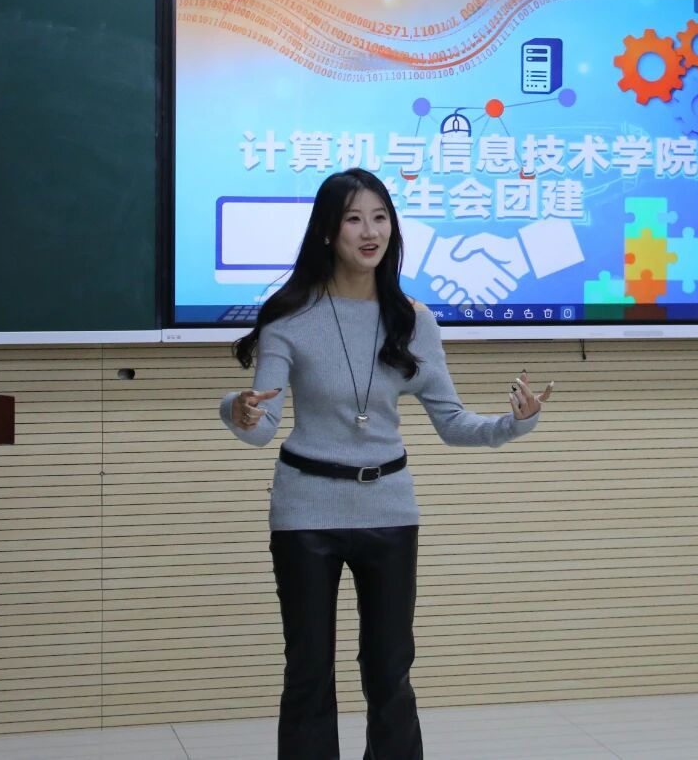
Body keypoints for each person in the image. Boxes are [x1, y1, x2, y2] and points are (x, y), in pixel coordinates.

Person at [221, 167, 553, 759]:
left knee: (390, 672)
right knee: (308, 672)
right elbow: (261, 426)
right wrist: (237, 410)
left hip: (389, 510)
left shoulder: (413, 320)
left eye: (380, 217)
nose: (370, 231)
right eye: (354, 219)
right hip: (305, 513)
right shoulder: (289, 317)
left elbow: (452, 423)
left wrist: (514, 422)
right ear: (328, 231)